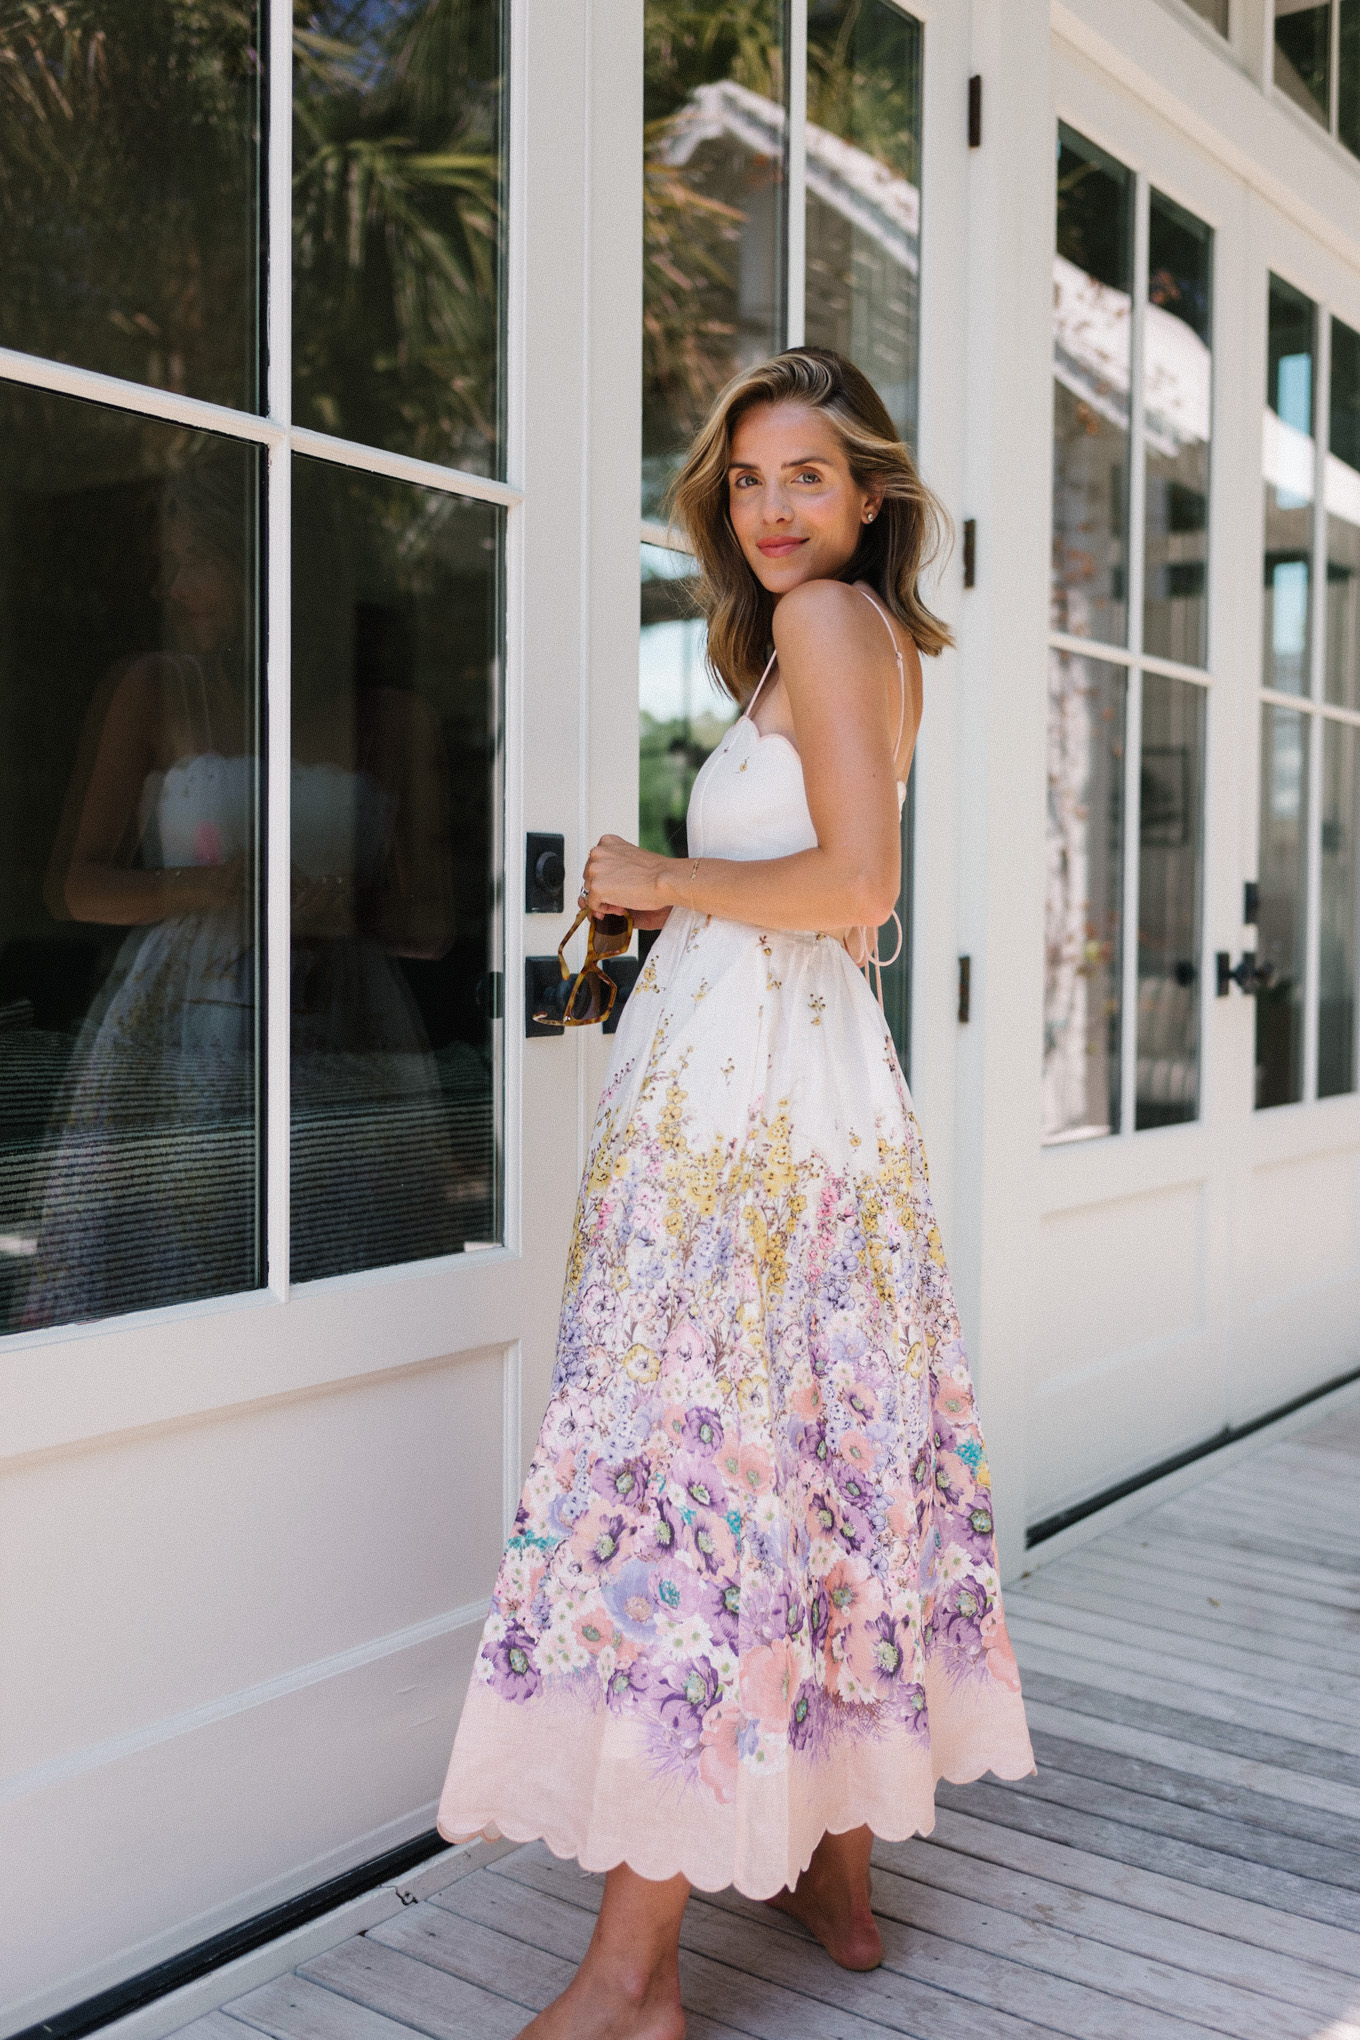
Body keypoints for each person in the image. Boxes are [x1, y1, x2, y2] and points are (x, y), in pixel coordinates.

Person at [437, 348, 1034, 2039]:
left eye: (810, 479)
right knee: (814, 1458)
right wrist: (689, 909)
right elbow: (833, 897)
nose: (776, 510)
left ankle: (633, 1981)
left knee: (713, 1476)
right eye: (752, 479)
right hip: (787, 1097)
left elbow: (857, 881)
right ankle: (837, 1857)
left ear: (867, 499)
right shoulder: (823, 641)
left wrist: (652, 873)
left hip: (765, 1137)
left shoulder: (835, 625)